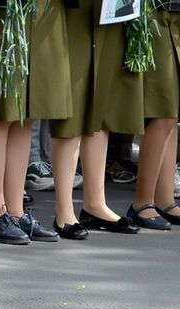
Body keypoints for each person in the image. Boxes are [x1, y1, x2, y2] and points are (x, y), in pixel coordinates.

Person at [0, 0, 71, 244]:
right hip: (5, 8)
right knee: (2, 113)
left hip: (43, 9)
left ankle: (16, 213)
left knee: (26, 113)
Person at [50, 0, 144, 238]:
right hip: (74, 10)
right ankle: (64, 211)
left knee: (101, 103)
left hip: (110, 8)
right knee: (73, 102)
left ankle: (94, 203)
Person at [128, 0, 180, 229]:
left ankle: (164, 200)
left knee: (173, 111)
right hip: (154, 9)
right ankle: (142, 202)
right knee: (164, 108)